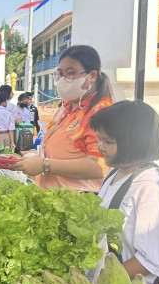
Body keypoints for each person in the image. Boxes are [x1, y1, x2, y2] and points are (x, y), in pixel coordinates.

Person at [90, 100, 159, 284]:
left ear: (134, 142)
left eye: (108, 142)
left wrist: (106, 280)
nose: (100, 147)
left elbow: (150, 260)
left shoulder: (151, 189)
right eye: (99, 139)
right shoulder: (116, 173)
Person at [9, 44, 114, 192]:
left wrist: (44, 165)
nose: (63, 79)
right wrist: (30, 158)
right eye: (60, 73)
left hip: (77, 202)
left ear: (92, 76)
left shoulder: (100, 112)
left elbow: (99, 166)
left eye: (71, 73)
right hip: (53, 196)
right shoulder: (67, 107)